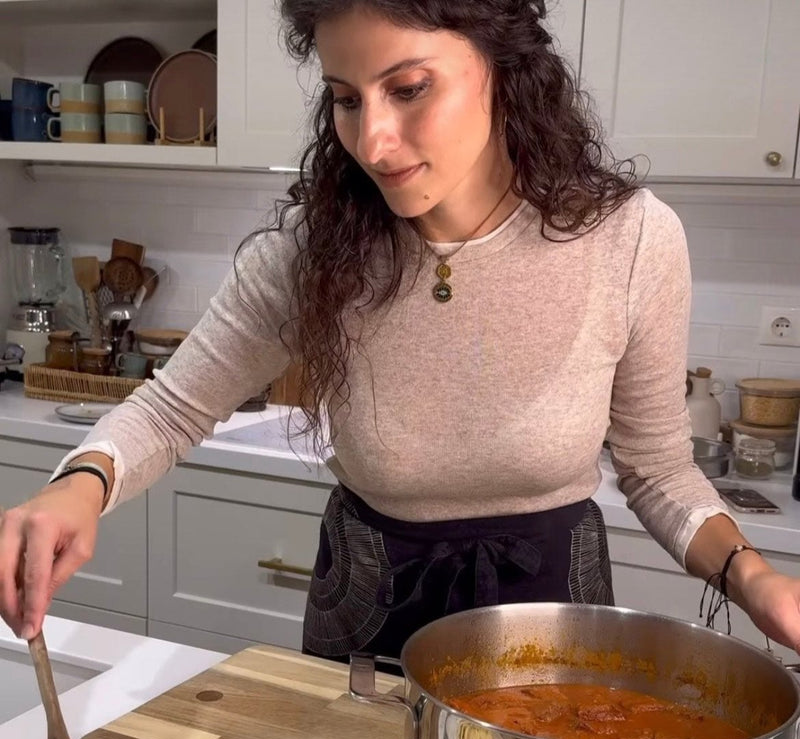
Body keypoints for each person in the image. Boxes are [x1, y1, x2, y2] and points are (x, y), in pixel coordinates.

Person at [1, 0, 800, 661]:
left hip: (557, 622)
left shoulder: (628, 240)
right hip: (367, 618)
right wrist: (82, 484)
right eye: (347, 98)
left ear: (505, 67)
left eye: (410, 88)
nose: (373, 141)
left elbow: (659, 470)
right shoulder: (313, 251)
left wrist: (753, 578)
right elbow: (172, 410)